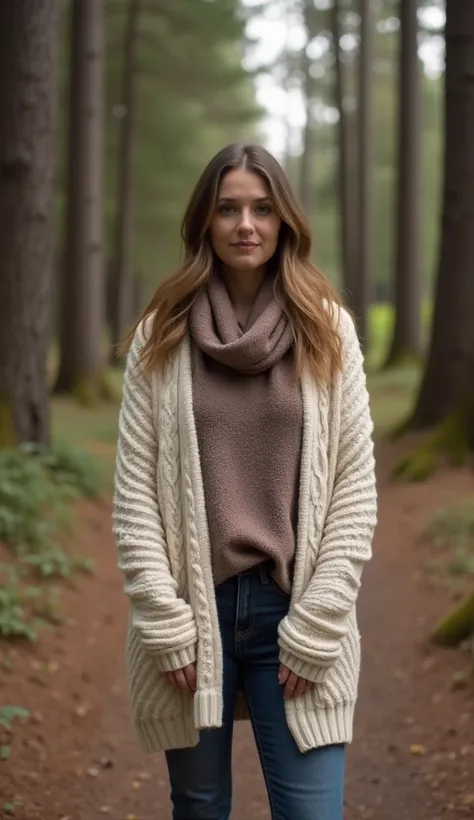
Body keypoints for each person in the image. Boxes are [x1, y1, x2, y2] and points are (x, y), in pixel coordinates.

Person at [112, 142, 377, 820]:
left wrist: (320, 621)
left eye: (262, 208)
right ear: (205, 221)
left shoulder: (328, 330)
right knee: (199, 808)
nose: (245, 225)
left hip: (294, 608)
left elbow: (353, 487)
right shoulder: (161, 334)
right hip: (193, 614)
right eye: (228, 209)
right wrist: (163, 620)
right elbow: (135, 491)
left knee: (312, 812)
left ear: (285, 220)